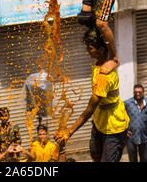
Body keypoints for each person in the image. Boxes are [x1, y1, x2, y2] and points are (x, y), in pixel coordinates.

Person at [54, 28, 129, 162]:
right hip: (100, 120)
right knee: (95, 154)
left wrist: (69, 132)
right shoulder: (103, 60)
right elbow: (103, 28)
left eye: (90, 48)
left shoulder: (104, 77)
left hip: (113, 126)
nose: (87, 51)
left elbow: (88, 111)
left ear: (100, 50)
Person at [124, 84, 147, 162]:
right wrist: (124, 130)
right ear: (133, 93)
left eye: (139, 92)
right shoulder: (127, 103)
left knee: (145, 159)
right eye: (135, 92)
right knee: (133, 160)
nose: (137, 94)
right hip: (131, 138)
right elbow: (118, 115)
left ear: (143, 93)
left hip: (144, 137)